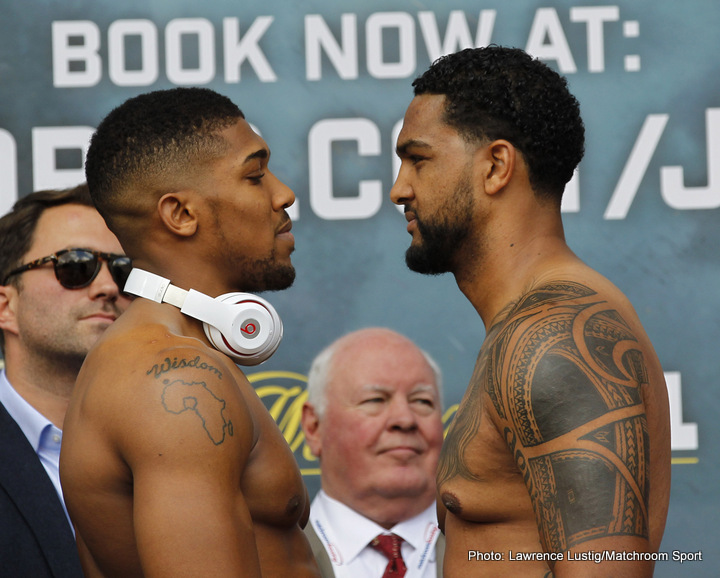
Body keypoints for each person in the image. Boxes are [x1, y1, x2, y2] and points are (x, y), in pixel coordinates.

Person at [390, 46, 671, 576]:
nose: (398, 188)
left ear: (496, 166)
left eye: (418, 159)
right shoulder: (528, 325)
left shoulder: (556, 335)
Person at [59, 88, 320, 577]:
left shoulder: (175, 358)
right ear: (180, 215)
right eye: (255, 175)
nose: (282, 193)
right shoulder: (171, 381)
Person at [0, 183, 132, 577]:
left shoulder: (173, 444)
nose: (108, 287)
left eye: (124, 270)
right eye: (75, 265)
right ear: (5, 306)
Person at [301, 327, 446, 578]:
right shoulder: (258, 556)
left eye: (422, 401)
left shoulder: (506, 553)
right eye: (375, 400)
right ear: (314, 427)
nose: (404, 419)